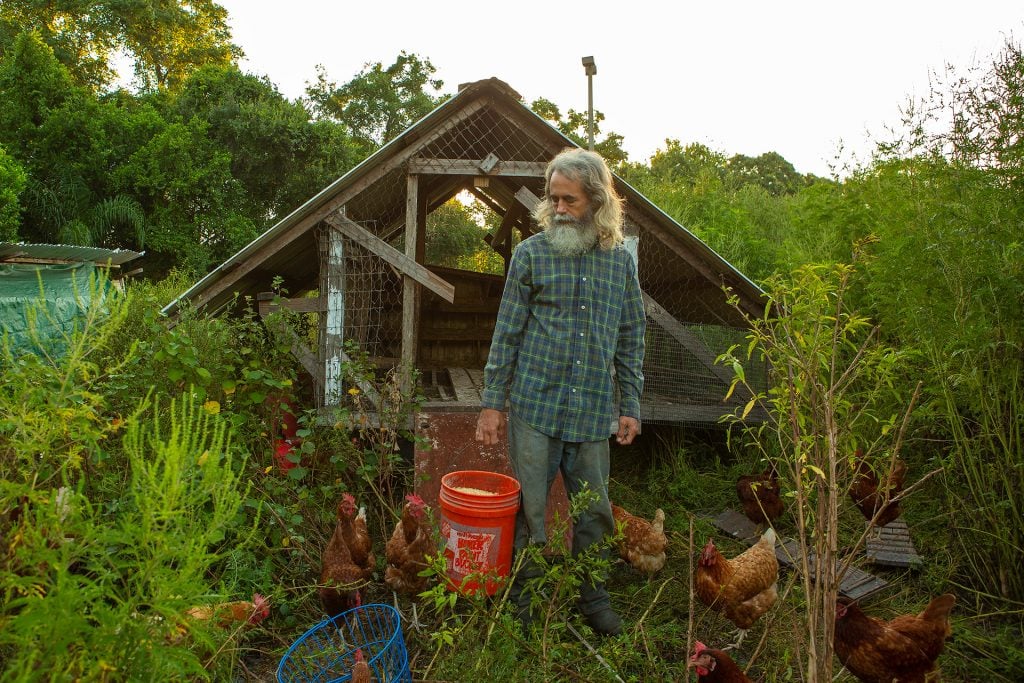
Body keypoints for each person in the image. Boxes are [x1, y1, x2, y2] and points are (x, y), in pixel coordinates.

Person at [475, 147, 646, 636]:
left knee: (594, 513)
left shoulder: (619, 264)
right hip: (535, 407)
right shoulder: (531, 255)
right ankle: (524, 604)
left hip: (593, 412)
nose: (559, 209)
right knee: (530, 513)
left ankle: (593, 600)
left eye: (569, 200)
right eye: (553, 200)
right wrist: (492, 403)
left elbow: (632, 335)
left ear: (596, 200)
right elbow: (506, 333)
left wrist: (629, 405)